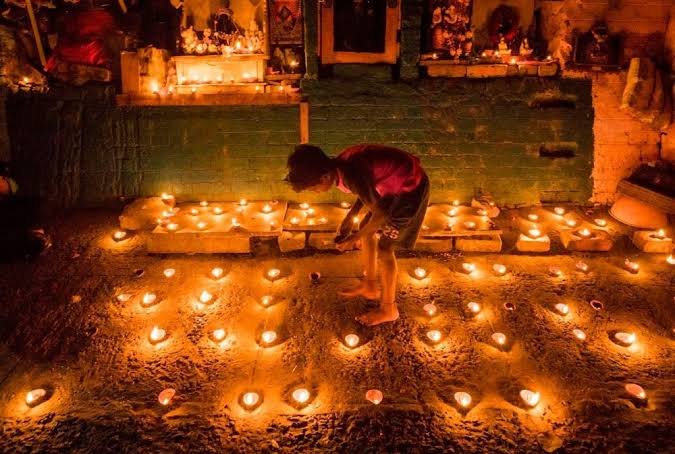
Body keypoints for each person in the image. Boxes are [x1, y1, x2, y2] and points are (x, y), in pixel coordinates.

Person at [285, 144, 430, 326]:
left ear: (324, 177)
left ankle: (389, 309)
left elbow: (381, 214)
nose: (315, 192)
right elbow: (364, 191)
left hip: (409, 189)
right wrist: (348, 220)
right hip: (392, 187)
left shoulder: (350, 173)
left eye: (313, 188)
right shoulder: (341, 166)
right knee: (364, 228)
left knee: (385, 248)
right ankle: (370, 285)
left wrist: (353, 239)